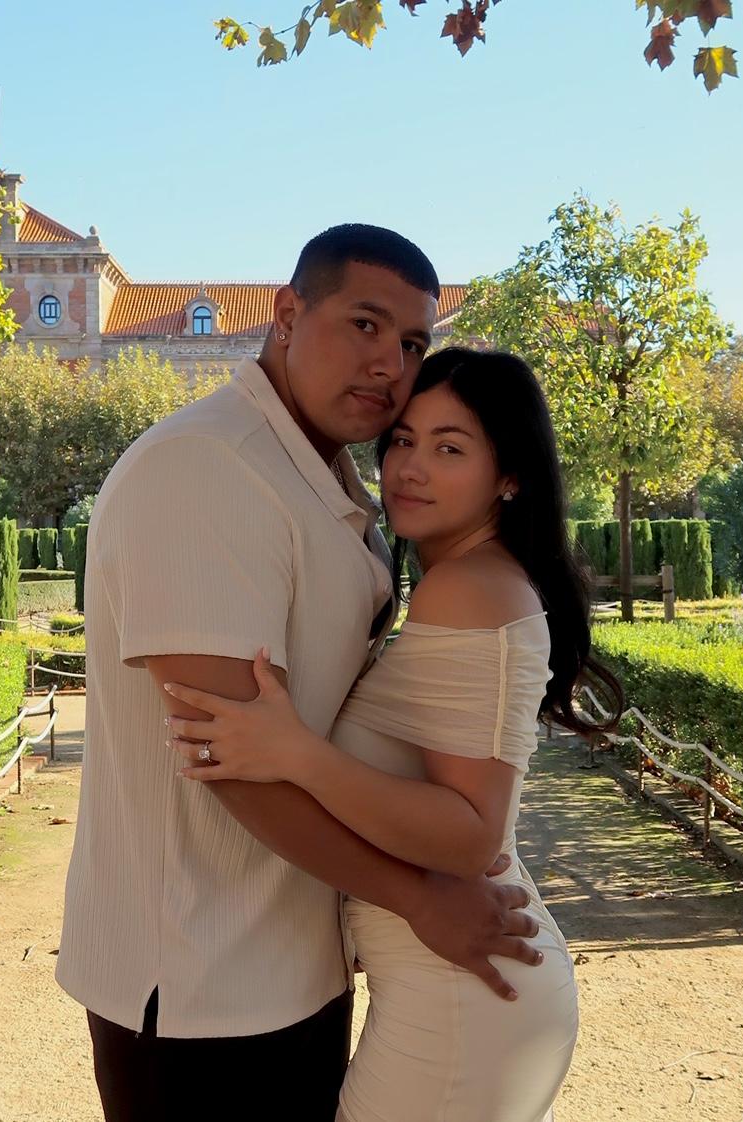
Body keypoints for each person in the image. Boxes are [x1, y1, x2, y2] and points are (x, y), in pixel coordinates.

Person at [56, 228, 544, 1122]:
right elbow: (227, 760)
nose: (389, 364)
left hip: (294, 963)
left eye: (411, 342)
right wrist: (419, 898)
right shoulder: (207, 467)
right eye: (365, 324)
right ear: (286, 314)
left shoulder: (319, 477)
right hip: (201, 985)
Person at [167, 347, 625, 1121]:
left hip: (462, 999)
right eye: (404, 440)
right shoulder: (465, 582)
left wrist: (297, 754)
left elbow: (472, 837)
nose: (411, 468)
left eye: (450, 448)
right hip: (468, 984)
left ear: (510, 477)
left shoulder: (469, 590)